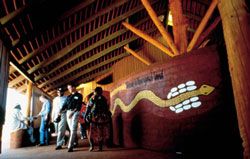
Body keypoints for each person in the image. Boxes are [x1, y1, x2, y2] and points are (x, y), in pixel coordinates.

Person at [85, 87, 111, 152]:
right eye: (98, 91)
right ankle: (92, 146)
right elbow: (88, 107)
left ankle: (99, 147)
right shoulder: (92, 98)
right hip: (94, 117)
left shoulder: (103, 99)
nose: (99, 93)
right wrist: (86, 116)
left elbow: (106, 108)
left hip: (101, 117)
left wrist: (108, 114)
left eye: (100, 91)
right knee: (93, 132)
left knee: (99, 132)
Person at [59, 84, 83, 152]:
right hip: (68, 113)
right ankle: (74, 142)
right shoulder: (69, 96)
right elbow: (65, 105)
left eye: (69, 87)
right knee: (71, 129)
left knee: (73, 129)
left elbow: (79, 105)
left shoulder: (79, 95)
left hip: (75, 112)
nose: (69, 89)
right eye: (68, 88)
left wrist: (73, 113)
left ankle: (70, 146)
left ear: (74, 87)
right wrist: (60, 111)